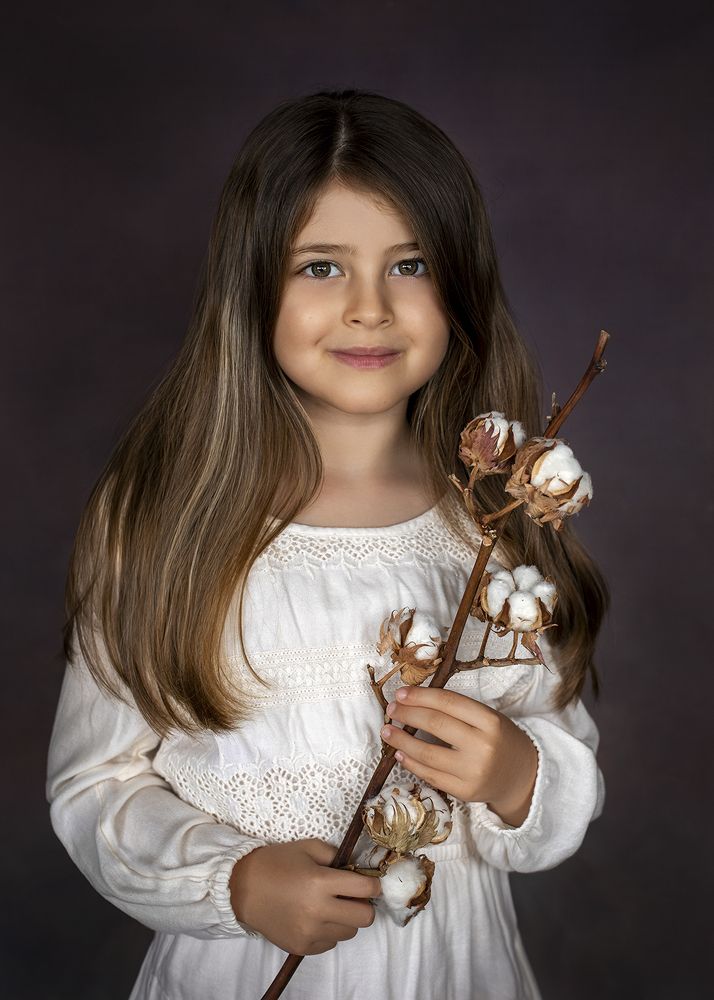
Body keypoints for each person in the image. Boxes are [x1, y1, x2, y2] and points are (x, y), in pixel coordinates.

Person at [47, 88, 608, 1000]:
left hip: (453, 970)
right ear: (252, 284)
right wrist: (232, 881)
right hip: (243, 971)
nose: (369, 308)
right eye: (320, 267)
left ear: (459, 283)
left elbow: (560, 751)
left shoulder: (495, 529)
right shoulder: (163, 520)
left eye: (411, 263)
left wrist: (517, 773)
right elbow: (95, 785)